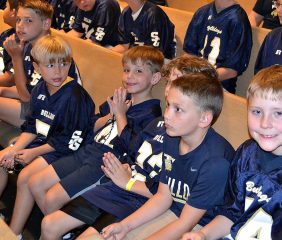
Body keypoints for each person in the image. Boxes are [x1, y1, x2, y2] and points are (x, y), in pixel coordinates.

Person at [39, 55, 221, 240]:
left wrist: (128, 182)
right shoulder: (162, 124)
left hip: (138, 198)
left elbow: (165, 196)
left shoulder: (190, 141)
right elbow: (132, 151)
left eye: (178, 82)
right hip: (120, 188)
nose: (169, 88)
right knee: (49, 224)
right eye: (169, 82)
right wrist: (125, 165)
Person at [27, 45, 163, 238]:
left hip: (105, 162)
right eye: (126, 70)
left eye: (138, 71)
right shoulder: (121, 97)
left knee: (52, 198)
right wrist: (110, 116)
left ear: (155, 78)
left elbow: (132, 150)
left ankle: (64, 230)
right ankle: (64, 231)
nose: (129, 76)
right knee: (38, 186)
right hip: (88, 150)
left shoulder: (151, 114)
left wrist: (121, 115)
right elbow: (91, 125)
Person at [182, 65, 282, 240]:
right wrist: (203, 234)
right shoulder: (246, 152)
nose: (265, 123)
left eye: (278, 113)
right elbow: (231, 214)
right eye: (257, 112)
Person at [96, 73, 234, 240]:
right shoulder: (172, 138)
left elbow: (186, 223)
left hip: (202, 225)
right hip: (175, 210)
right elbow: (163, 196)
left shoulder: (216, 163)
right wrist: (125, 226)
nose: (167, 114)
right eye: (168, 105)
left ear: (204, 118)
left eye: (178, 109)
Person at [0, 35, 95, 239]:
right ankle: (8, 228)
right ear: (36, 67)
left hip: (68, 151)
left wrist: (32, 152)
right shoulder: (40, 89)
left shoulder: (74, 97)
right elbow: (32, 126)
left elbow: (69, 141)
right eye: (50, 65)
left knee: (26, 177)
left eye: (63, 63)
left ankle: (15, 232)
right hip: (46, 143)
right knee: (3, 158)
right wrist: (15, 149)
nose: (58, 71)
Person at [0, 0, 81, 128]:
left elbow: (27, 98)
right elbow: (30, 89)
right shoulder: (29, 47)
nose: (20, 25)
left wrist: (16, 58)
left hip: (56, 118)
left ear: (46, 23)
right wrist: (3, 91)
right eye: (19, 20)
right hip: (39, 108)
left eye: (28, 20)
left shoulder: (51, 52)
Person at [183, 0, 252, 94]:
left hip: (219, 87)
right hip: (195, 80)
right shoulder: (202, 12)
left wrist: (201, 79)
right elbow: (189, 53)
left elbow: (231, 71)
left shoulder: (238, 20)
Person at [111, 0, 176, 60]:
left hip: (159, 61)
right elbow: (124, 46)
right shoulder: (126, 12)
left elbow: (155, 53)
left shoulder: (154, 14)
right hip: (137, 57)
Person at [0, 0, 18, 87]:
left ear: (13, 12)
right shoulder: (8, 33)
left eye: (6, 7)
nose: (4, 10)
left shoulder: (23, 41)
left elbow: (10, 79)